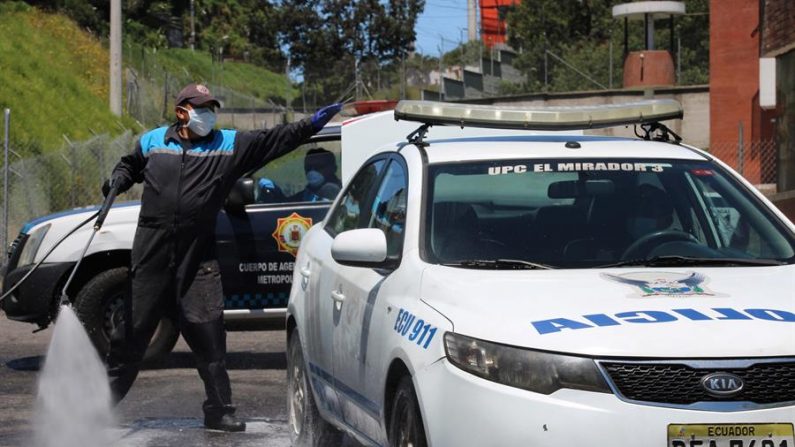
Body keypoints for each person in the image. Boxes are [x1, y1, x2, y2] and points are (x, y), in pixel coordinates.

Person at [102, 83, 340, 432]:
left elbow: (276, 138)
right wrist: (118, 179)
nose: (208, 114)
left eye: (211, 107)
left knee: (209, 338)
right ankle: (97, 408)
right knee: (132, 337)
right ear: (181, 111)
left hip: (197, 257)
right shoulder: (153, 141)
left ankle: (219, 410)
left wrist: (311, 125)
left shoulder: (228, 145)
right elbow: (129, 165)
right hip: (151, 253)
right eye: (201, 107)